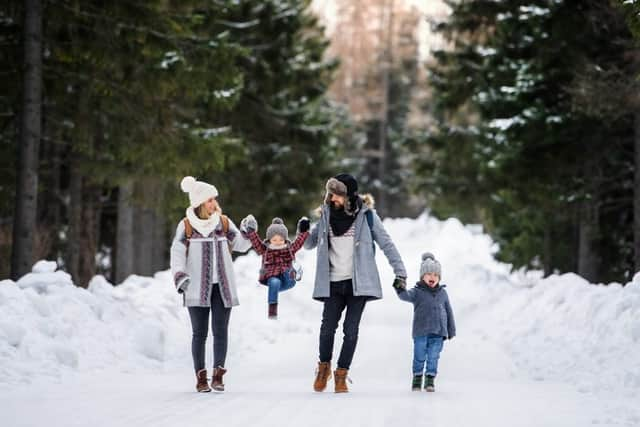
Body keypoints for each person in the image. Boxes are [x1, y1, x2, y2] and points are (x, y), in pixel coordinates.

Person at [305, 173, 407, 393]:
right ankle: (323, 368)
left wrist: (400, 272)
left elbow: (386, 244)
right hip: (332, 282)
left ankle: (341, 374)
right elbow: (309, 244)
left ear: (349, 196)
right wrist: (302, 231)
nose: (332, 199)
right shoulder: (326, 215)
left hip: (357, 284)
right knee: (327, 329)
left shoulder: (367, 216)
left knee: (350, 330)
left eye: (337, 195)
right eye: (330, 194)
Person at [170, 176, 251, 392]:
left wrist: (249, 230)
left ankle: (218, 375)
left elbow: (241, 244)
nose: (214, 203)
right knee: (199, 333)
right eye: (209, 200)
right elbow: (177, 252)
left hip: (222, 287)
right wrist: (180, 276)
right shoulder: (186, 226)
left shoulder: (223, 223)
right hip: (195, 287)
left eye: (214, 199)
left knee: (221, 331)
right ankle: (200, 378)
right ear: (199, 202)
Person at [393, 252, 456, 392]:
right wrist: (399, 286)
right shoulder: (417, 292)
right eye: (429, 274)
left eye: (436, 275)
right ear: (422, 276)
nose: (432, 277)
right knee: (419, 356)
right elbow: (404, 296)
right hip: (421, 331)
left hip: (439, 332)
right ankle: (417, 377)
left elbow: (449, 311)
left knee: (434, 356)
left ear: (439, 278)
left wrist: (451, 330)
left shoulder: (443, 293)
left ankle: (430, 379)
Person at [240, 216, 310, 319]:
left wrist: (303, 231)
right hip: (272, 277)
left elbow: (298, 243)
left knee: (288, 270)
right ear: (269, 239)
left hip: (288, 279)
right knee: (274, 281)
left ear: (285, 239)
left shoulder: (289, 249)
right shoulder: (265, 249)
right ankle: (272, 311)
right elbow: (256, 243)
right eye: (275, 239)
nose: (278, 242)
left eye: (281, 239)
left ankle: (296, 272)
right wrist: (251, 231)